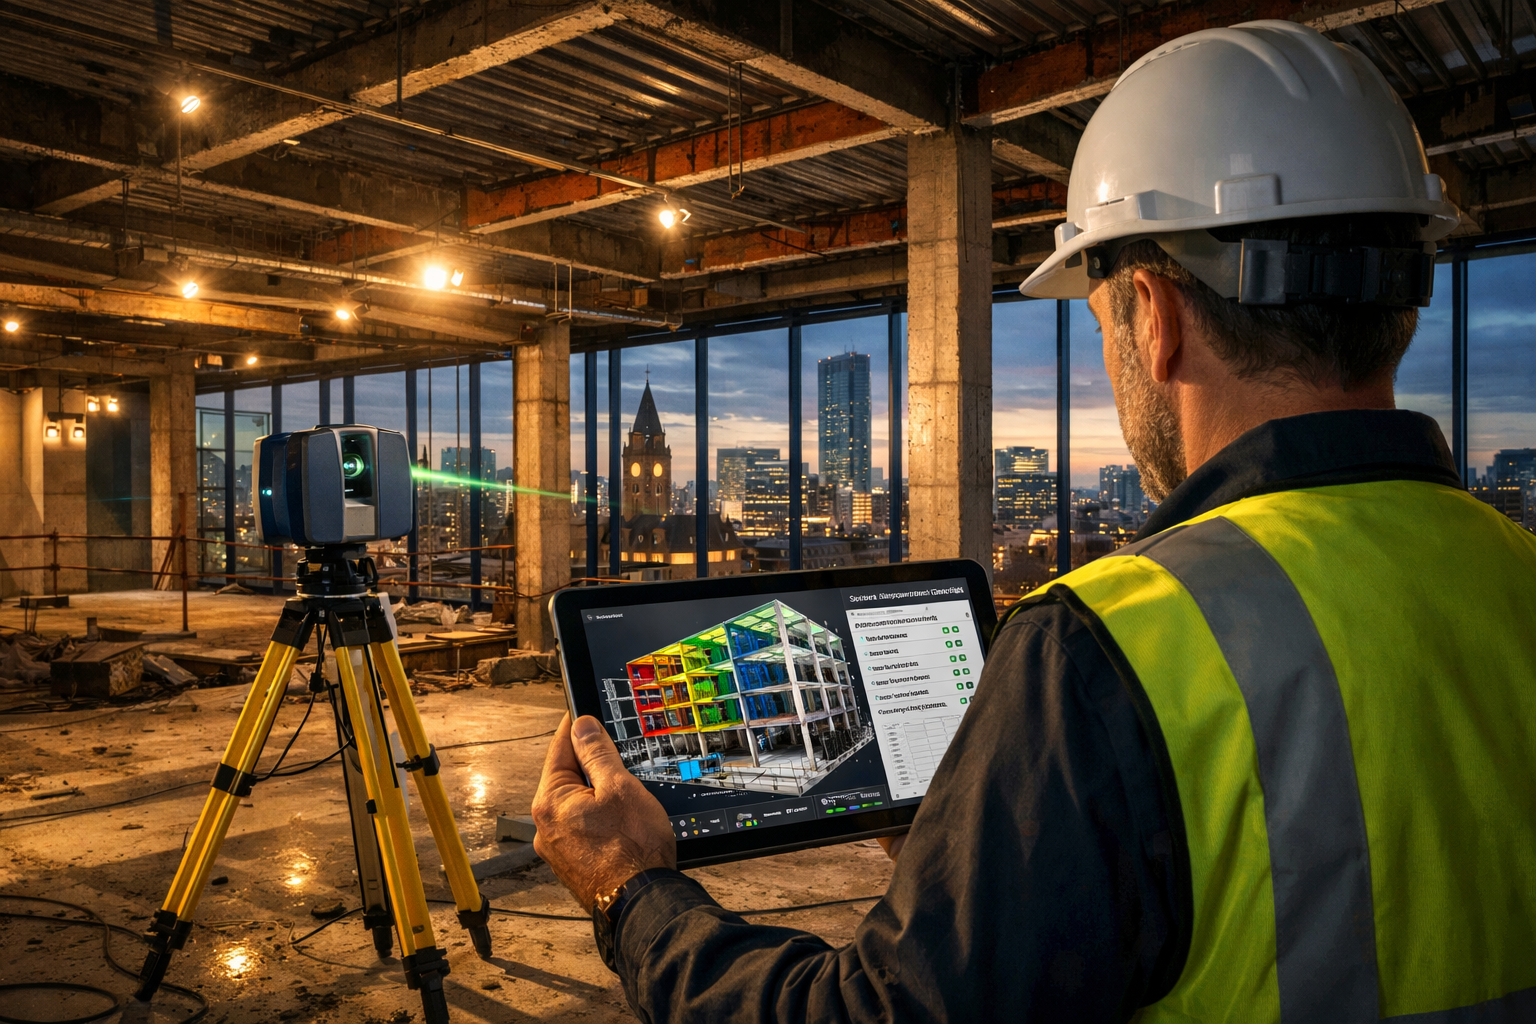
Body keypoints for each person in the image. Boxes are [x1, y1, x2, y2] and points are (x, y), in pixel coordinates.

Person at [533, 20, 1536, 1023]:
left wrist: (633, 892)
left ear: (1154, 316)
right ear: (1400, 300)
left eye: (1101, 322)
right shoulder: (1514, 567)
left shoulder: (1106, 645)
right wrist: (988, 849)